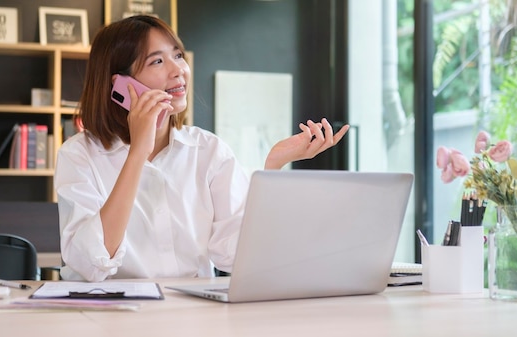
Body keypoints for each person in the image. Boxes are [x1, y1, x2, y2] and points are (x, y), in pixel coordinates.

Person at [54, 15, 349, 282]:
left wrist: (272, 167)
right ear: (119, 85)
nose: (178, 70)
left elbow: (236, 256)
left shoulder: (209, 151)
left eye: (178, 55)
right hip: (108, 317)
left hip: (192, 315)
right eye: (157, 61)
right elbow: (89, 263)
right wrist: (137, 153)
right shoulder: (78, 155)